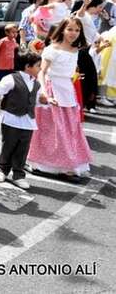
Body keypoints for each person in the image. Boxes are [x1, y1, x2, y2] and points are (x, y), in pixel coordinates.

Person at [27, 17, 93, 180]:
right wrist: (45, 92)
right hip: (52, 90)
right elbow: (42, 73)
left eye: (77, 30)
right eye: (69, 29)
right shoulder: (52, 49)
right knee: (50, 130)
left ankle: (67, 165)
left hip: (68, 91)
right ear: (62, 30)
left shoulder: (76, 50)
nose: (73, 33)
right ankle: (43, 164)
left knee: (69, 130)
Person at [0, 50, 46, 190]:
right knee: (8, 145)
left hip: (28, 121)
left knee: (23, 148)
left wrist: (45, 101)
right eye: (38, 65)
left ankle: (18, 175)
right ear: (27, 66)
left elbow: (35, 101)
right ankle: (2, 170)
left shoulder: (36, 84)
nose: (40, 68)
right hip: (11, 119)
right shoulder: (11, 78)